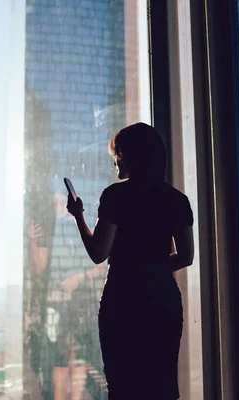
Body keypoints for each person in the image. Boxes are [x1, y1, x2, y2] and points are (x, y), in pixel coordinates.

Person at [66, 122, 194, 399]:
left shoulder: (115, 196)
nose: (115, 164)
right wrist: (154, 267)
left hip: (123, 299)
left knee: (123, 387)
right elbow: (186, 256)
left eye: (117, 157)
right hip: (163, 300)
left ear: (127, 156)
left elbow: (98, 253)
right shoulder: (177, 200)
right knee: (163, 386)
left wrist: (78, 216)